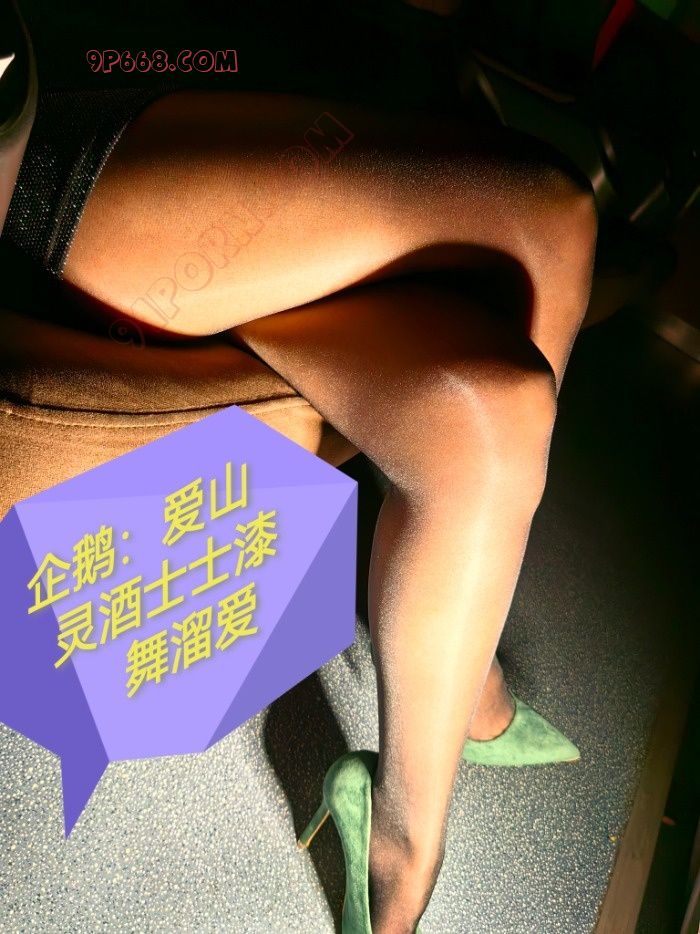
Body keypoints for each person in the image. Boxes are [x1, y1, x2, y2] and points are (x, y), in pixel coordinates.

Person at [1, 2, 595, 931]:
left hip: (126, 53)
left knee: (553, 237)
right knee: (499, 381)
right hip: (38, 140)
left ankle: (461, 670)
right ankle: (401, 854)